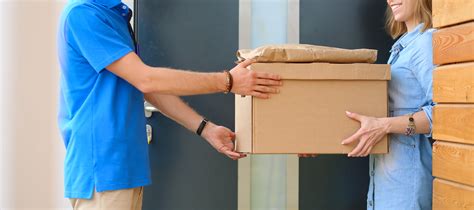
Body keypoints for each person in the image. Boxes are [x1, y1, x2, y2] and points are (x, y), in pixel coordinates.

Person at [57, 0, 282, 209]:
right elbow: (146, 79)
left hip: (125, 166)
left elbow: (146, 87)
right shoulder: (84, 15)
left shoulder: (114, 14)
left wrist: (205, 129)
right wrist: (228, 81)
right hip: (102, 168)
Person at [341, 0, 435, 209]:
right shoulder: (402, 47)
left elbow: (442, 114)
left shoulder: (425, 43)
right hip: (385, 183)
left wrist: (384, 125)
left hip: (407, 186)